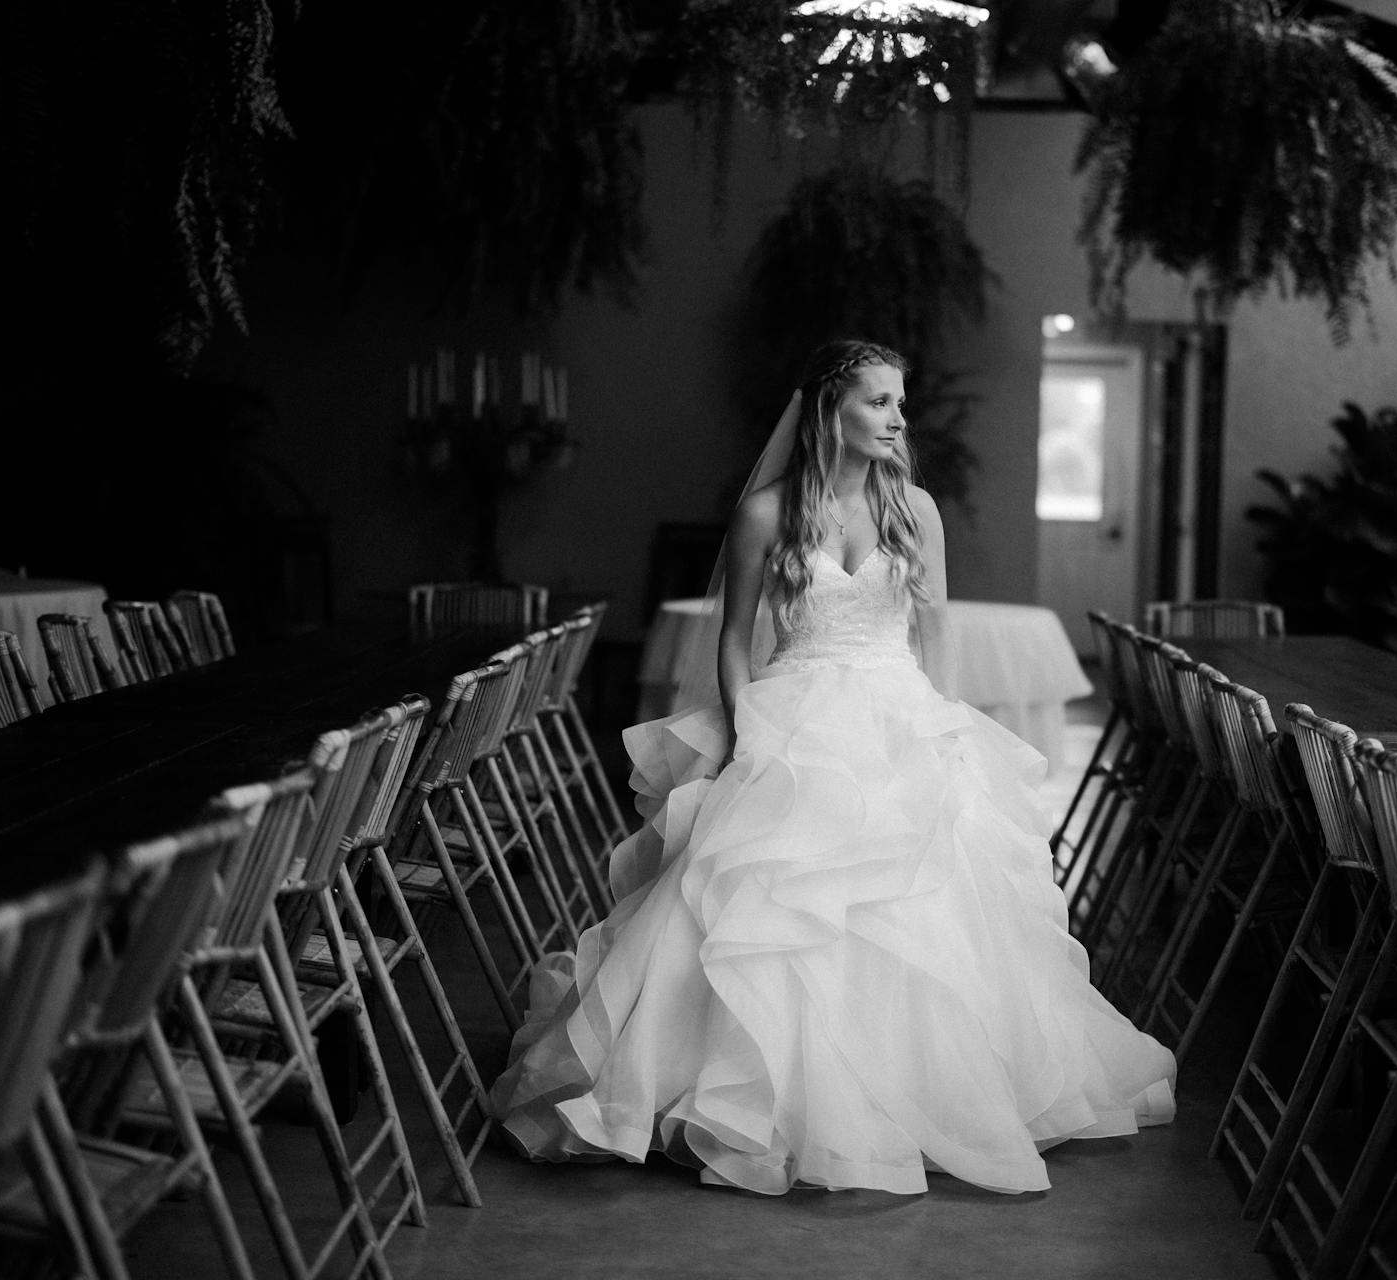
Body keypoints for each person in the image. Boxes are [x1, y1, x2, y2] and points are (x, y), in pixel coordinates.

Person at [489, 339, 1176, 1195]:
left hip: (899, 714)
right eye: (878, 402)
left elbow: (939, 639)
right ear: (830, 412)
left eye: (899, 402)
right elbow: (735, 644)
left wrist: (948, 731)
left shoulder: (914, 510)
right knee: (763, 904)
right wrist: (749, 740)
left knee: (925, 905)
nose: (898, 418)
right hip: (795, 718)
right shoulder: (767, 516)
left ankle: (922, 1093)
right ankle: (756, 1101)